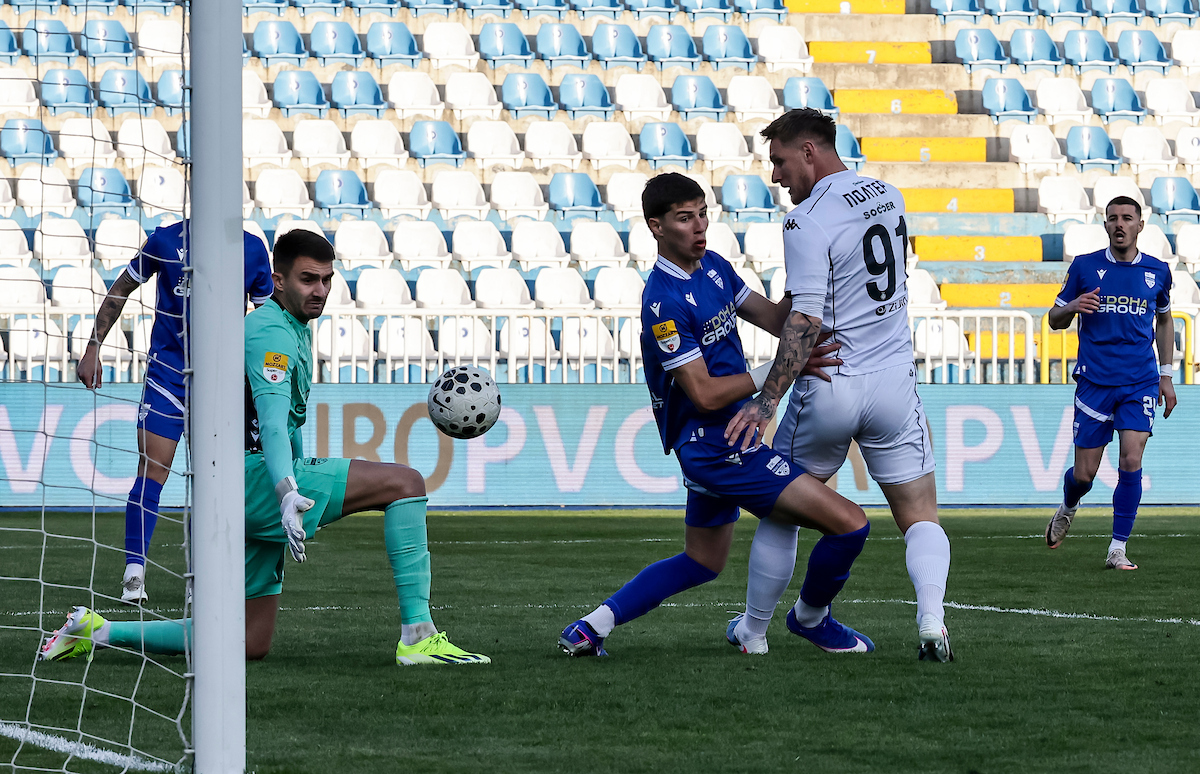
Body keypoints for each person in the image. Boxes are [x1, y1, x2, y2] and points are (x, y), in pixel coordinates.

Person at [41, 230, 489, 667]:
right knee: (405, 483)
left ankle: (95, 630)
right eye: (308, 279)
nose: (320, 290)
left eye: (327, 280)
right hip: (252, 479)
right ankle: (418, 636)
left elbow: (285, 424)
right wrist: (286, 489)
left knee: (248, 640)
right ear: (277, 281)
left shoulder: (290, 325)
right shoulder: (271, 334)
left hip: (236, 484)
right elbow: (273, 424)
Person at [558, 173, 875, 658]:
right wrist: (775, 372)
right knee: (851, 524)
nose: (699, 227)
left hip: (727, 437)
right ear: (656, 227)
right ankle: (812, 621)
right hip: (716, 443)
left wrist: (811, 273)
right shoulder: (661, 302)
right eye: (685, 219)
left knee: (702, 561)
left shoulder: (715, 268)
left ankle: (590, 628)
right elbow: (703, 394)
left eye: (703, 214)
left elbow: (774, 319)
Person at [723, 108, 954, 662]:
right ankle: (931, 622)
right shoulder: (888, 193)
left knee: (783, 510)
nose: (776, 177)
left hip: (831, 383)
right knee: (920, 517)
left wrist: (765, 401)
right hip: (894, 383)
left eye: (779, 162)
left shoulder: (807, 221)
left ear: (809, 151)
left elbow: (806, 320)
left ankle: (753, 632)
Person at [77, 221, 274, 605]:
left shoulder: (251, 249)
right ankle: (134, 573)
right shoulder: (165, 239)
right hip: (168, 373)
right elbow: (121, 289)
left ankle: (202, 576)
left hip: (222, 382)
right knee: (153, 469)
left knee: (216, 479)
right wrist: (93, 346)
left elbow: (266, 322)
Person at [1045, 195, 1176, 570]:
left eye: (1127, 218)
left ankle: (1117, 548)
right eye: (1113, 219)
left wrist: (1166, 376)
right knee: (1084, 475)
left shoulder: (1157, 271)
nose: (1120, 224)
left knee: (1131, 459)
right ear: (1105, 226)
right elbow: (1054, 318)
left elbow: (1164, 321)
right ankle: (1070, 504)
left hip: (1140, 382)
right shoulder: (1085, 268)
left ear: (1140, 225)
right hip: (1095, 383)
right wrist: (1071, 307)